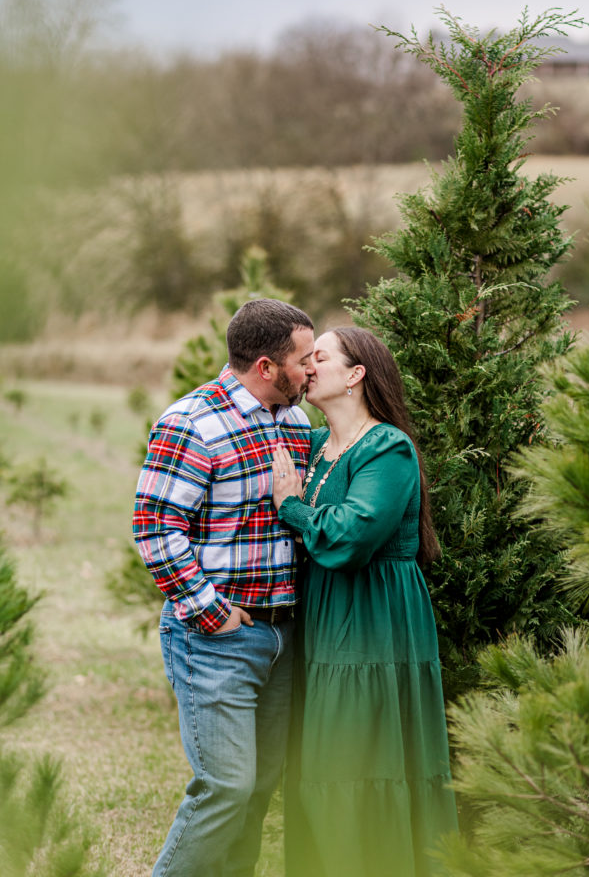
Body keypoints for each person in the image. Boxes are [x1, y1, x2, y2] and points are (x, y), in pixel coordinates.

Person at [133, 298, 315, 877]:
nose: (311, 370)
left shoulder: (294, 421)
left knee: (258, 789)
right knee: (227, 786)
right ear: (266, 366)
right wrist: (212, 613)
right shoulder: (191, 423)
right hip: (218, 640)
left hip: (282, 638)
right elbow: (156, 527)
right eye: (303, 360)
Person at [272, 326, 458, 877]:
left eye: (319, 358)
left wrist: (293, 508)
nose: (307, 368)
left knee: (363, 756)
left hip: (375, 617)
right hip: (325, 614)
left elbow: (352, 536)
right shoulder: (311, 445)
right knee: (322, 762)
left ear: (355, 375)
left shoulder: (388, 448)